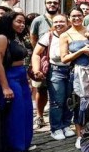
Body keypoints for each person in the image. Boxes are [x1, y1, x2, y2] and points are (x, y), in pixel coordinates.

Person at [0, 11, 34, 152]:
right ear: (9, 21)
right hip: (8, 76)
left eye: (23, 22)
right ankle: (11, 147)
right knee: (14, 112)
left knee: (26, 110)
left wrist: (27, 79)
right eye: (18, 21)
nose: (22, 25)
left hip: (20, 75)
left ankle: (23, 143)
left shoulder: (16, 38)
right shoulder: (1, 38)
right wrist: (5, 87)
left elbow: (22, 61)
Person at [31, 13, 75, 141]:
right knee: (57, 101)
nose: (59, 24)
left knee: (69, 99)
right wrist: (36, 69)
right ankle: (56, 128)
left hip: (72, 70)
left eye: (62, 21)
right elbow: (36, 53)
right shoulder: (49, 36)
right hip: (56, 70)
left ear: (68, 23)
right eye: (56, 22)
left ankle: (66, 125)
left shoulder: (73, 34)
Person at [60, 7, 89, 149]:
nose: (76, 18)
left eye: (79, 15)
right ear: (69, 18)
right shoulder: (65, 35)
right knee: (78, 104)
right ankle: (80, 135)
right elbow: (64, 58)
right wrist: (81, 51)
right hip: (77, 72)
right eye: (73, 16)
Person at [29, 0, 60, 130]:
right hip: (42, 59)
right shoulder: (38, 20)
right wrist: (40, 53)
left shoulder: (62, 19)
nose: (52, 4)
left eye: (54, 2)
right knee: (41, 88)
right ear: (45, 4)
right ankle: (40, 116)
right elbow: (33, 38)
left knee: (58, 90)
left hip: (59, 60)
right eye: (49, 2)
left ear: (58, 4)